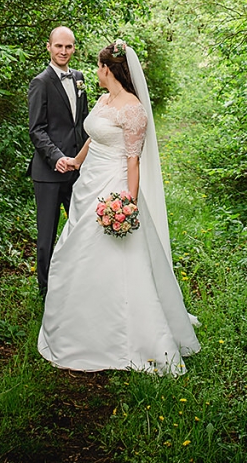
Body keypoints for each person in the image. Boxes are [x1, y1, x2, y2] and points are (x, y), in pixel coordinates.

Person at [38, 39, 200, 374]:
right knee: (73, 253)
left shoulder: (133, 110)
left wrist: (127, 201)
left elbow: (133, 161)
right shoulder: (103, 100)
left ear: (109, 69)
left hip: (113, 188)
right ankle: (77, 323)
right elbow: (92, 137)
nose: (95, 72)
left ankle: (126, 336)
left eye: (99, 67)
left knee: (115, 260)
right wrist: (74, 162)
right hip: (88, 185)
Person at [27, 26, 89, 295]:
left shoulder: (79, 77)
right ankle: (45, 289)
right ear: (49, 47)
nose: (64, 51)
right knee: (46, 236)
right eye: (59, 46)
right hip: (49, 173)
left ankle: (77, 282)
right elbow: (36, 130)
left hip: (78, 170)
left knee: (82, 228)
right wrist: (57, 158)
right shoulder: (40, 82)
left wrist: (85, 159)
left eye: (69, 46)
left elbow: (84, 123)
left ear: (74, 48)